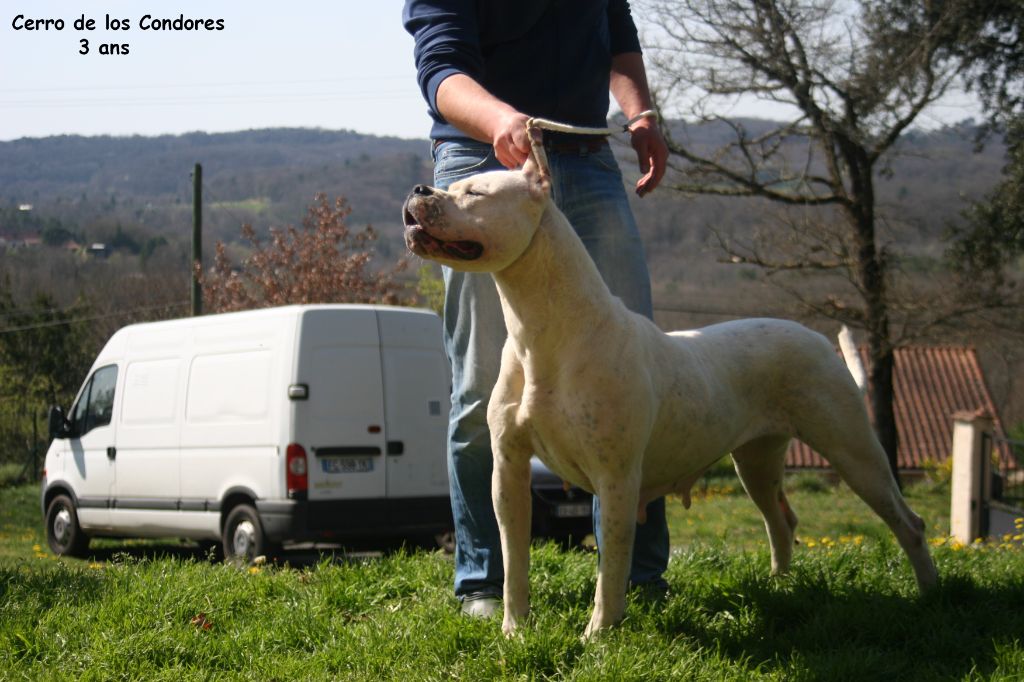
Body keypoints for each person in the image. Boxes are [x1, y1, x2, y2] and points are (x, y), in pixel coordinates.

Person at [403, 0, 670, 617]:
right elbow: (441, 71)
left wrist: (641, 112)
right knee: (481, 392)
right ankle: (482, 585)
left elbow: (618, 34)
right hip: (482, 166)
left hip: (588, 158)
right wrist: (501, 120)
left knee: (636, 377)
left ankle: (638, 579)